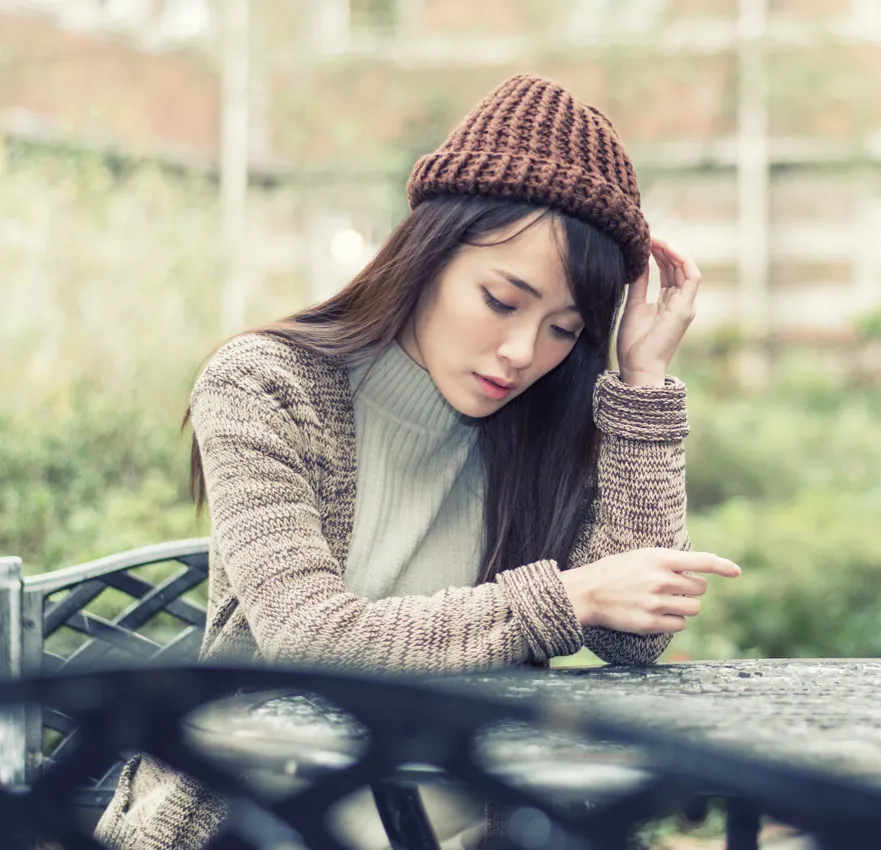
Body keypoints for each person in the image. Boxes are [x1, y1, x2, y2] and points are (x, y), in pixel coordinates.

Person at [93, 73, 740, 850]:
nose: (520, 352)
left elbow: (631, 639)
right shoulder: (264, 385)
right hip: (262, 820)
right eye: (502, 301)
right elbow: (312, 640)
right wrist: (568, 598)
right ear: (428, 256)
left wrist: (642, 381)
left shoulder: (541, 419)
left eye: (564, 329)